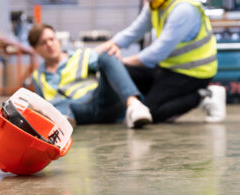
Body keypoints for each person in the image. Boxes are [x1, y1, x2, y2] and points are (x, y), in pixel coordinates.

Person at [97, 0, 226, 123]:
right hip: (167, 68)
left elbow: (157, 53)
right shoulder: (155, 5)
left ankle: (204, 96)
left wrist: (121, 62)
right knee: (121, 73)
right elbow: (133, 32)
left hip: (193, 73)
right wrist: (95, 53)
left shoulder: (184, 9)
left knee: (150, 113)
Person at [27, 23, 152, 128]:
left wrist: (113, 54)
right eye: (43, 42)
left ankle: (134, 105)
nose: (49, 44)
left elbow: (109, 62)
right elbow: (42, 105)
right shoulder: (37, 76)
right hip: (75, 112)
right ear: (35, 49)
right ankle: (63, 126)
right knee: (58, 103)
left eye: (52, 39)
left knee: (108, 54)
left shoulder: (81, 56)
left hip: (100, 100)